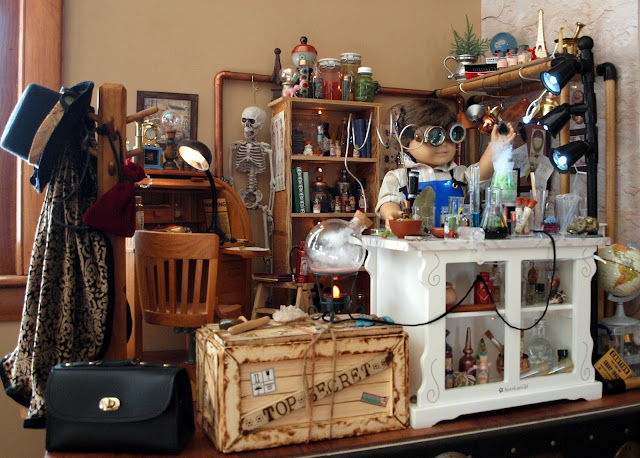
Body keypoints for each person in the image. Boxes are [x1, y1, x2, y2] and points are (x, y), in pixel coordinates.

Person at [376, 98, 516, 227]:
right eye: (434, 137)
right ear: (407, 141)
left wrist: (496, 146)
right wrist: (391, 213)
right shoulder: (398, 177)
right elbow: (388, 201)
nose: (444, 144)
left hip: (452, 241)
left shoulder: (458, 175)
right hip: (413, 242)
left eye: (451, 136)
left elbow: (480, 174)